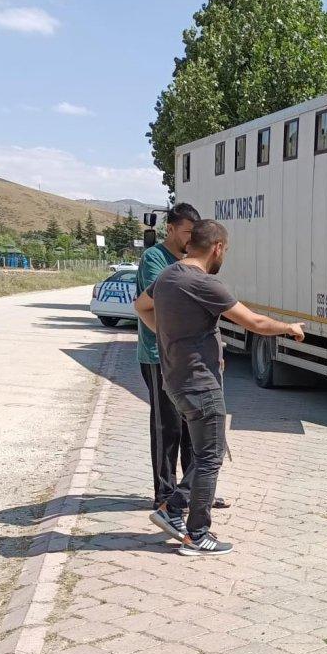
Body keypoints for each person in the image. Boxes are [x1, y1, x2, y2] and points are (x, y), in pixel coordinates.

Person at [134, 220, 305, 556]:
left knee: (206, 452)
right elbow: (254, 322)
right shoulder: (205, 283)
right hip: (200, 383)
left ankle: (171, 509)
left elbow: (141, 307)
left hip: (176, 380)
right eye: (224, 249)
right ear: (217, 247)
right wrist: (289, 327)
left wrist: (167, 338)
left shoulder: (167, 276)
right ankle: (197, 535)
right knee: (210, 457)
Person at [137, 203, 199, 511]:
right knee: (167, 426)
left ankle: (190, 491)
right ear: (170, 228)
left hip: (186, 355)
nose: (190, 238)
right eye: (186, 232)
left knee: (191, 424)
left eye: (194, 233)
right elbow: (161, 302)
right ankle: (164, 494)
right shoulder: (154, 258)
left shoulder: (190, 261)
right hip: (157, 355)